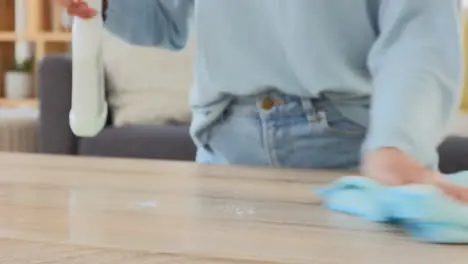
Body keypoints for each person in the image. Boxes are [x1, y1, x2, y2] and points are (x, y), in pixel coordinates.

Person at [54, 0, 468, 201]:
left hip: (351, 155)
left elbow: (420, 33)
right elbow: (165, 18)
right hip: (224, 151)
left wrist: (398, 142)